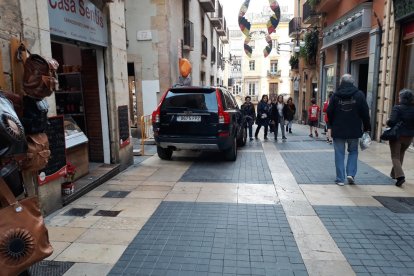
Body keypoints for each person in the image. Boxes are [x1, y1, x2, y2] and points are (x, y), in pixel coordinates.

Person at [327, 74, 371, 186]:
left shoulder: (335, 96)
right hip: (354, 129)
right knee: (353, 151)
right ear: (352, 82)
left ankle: (340, 179)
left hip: (338, 129)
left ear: (341, 82)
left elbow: (329, 112)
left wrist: (331, 125)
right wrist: (367, 127)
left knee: (339, 153)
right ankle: (350, 174)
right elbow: (365, 113)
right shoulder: (359, 95)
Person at [386, 89, 414, 187]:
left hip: (397, 135)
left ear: (402, 98)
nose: (398, 98)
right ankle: (394, 174)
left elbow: (392, 122)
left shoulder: (397, 108)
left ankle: (400, 176)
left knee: (395, 156)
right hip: (409, 137)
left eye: (399, 96)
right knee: (400, 154)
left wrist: (388, 121)